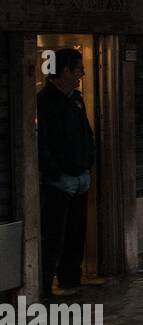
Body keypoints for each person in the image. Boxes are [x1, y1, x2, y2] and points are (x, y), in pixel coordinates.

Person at [37, 48, 95, 298]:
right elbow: (41, 142)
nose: (82, 73)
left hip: (80, 177)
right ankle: (45, 285)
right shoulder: (44, 102)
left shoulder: (76, 100)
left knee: (76, 232)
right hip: (59, 181)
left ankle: (70, 279)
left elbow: (86, 134)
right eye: (78, 69)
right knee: (54, 235)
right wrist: (55, 172)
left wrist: (88, 162)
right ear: (64, 71)